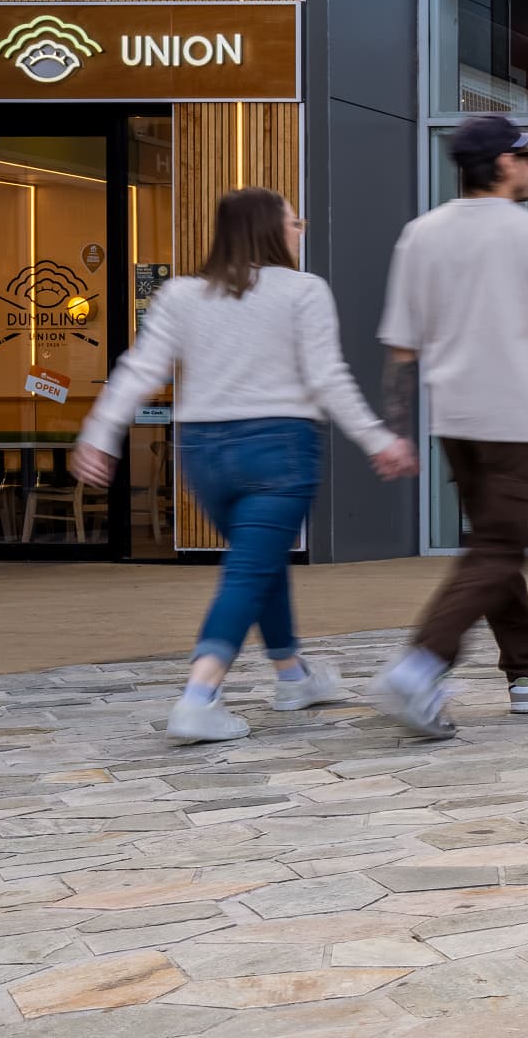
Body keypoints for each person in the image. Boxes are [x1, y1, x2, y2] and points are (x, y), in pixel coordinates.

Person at [75, 187, 417, 742]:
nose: (300, 230)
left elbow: (140, 369)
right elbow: (327, 377)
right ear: (267, 229)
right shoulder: (304, 290)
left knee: (259, 562)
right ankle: (198, 697)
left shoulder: (181, 294)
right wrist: (377, 438)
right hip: (279, 449)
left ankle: (293, 676)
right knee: (249, 569)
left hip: (204, 453)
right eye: (293, 221)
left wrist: (101, 432)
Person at [368, 116, 528, 740]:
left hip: (453, 419)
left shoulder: (419, 235)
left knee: (494, 543)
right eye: (525, 157)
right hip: (515, 419)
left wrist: (396, 426)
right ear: (501, 166)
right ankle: (422, 661)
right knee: (502, 548)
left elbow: (400, 350)